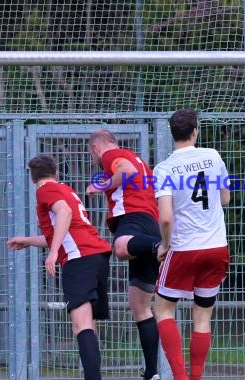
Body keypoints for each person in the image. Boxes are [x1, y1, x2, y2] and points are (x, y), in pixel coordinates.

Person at [7, 154, 112, 380]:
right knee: (88, 326)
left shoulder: (45, 189)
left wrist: (53, 253)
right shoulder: (66, 190)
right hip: (97, 256)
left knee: (80, 325)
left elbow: (64, 213)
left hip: (80, 259)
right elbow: (63, 232)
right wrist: (28, 241)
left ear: (33, 178)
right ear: (56, 172)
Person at [153, 109, 230, 380]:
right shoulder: (213, 156)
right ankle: (195, 377)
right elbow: (225, 199)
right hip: (217, 247)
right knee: (203, 317)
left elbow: (165, 218)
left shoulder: (163, 168)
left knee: (162, 309)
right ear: (196, 130)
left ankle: (179, 377)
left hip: (185, 248)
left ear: (171, 133)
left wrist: (164, 245)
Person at [86, 130, 161, 380]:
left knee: (119, 247)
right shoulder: (140, 160)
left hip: (134, 219)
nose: (93, 157)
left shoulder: (112, 155)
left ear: (97, 147)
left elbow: (126, 172)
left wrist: (102, 185)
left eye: (91, 153)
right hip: (149, 223)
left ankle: (163, 247)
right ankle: (152, 373)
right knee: (140, 307)